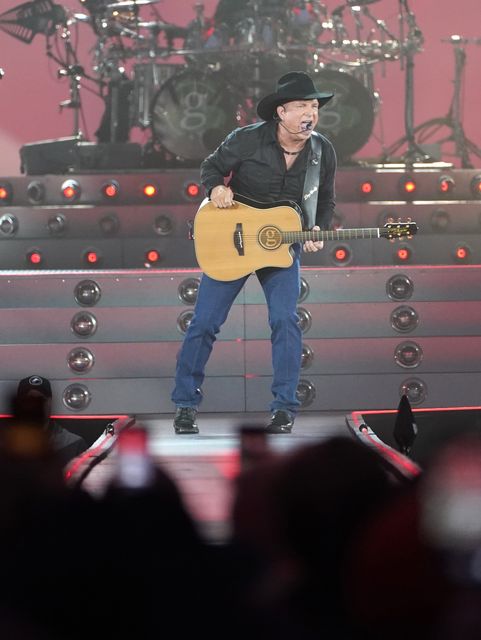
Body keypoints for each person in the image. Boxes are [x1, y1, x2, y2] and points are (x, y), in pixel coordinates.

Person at [171, 71, 337, 435]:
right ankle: (185, 405)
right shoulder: (246, 140)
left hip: (280, 244)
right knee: (204, 323)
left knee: (285, 321)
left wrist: (317, 228)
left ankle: (284, 408)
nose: (310, 113)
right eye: (301, 106)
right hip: (233, 236)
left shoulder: (322, 151)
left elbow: (324, 200)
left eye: (314, 106)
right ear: (281, 112)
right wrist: (215, 189)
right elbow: (210, 168)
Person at [13, 375, 88, 465]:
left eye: (41, 400)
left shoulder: (74, 444)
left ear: (50, 402)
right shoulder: (6, 446)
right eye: (30, 400)